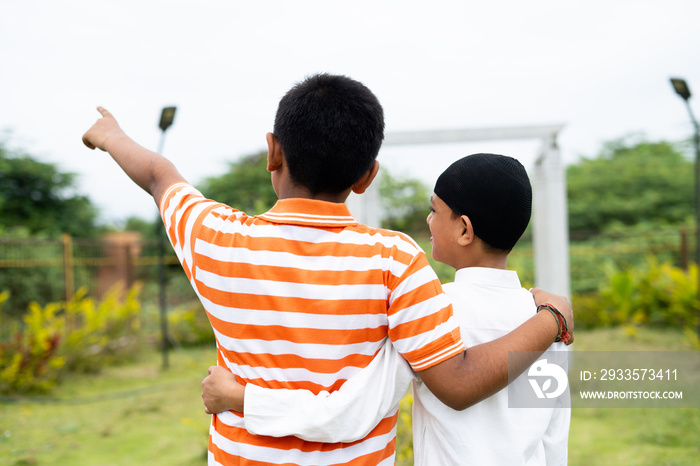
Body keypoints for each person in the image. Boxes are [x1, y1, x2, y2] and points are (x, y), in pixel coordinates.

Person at [82, 73, 573, 466]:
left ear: (273, 151)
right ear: (367, 176)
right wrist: (552, 319)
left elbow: (158, 176)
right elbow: (458, 381)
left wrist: (111, 136)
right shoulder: (396, 260)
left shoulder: (215, 237)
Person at [201, 153, 571, 465]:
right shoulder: (547, 319)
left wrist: (239, 396)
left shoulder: (430, 310)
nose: (427, 220)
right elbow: (554, 438)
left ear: (464, 230)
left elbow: (349, 414)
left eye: (434, 210)